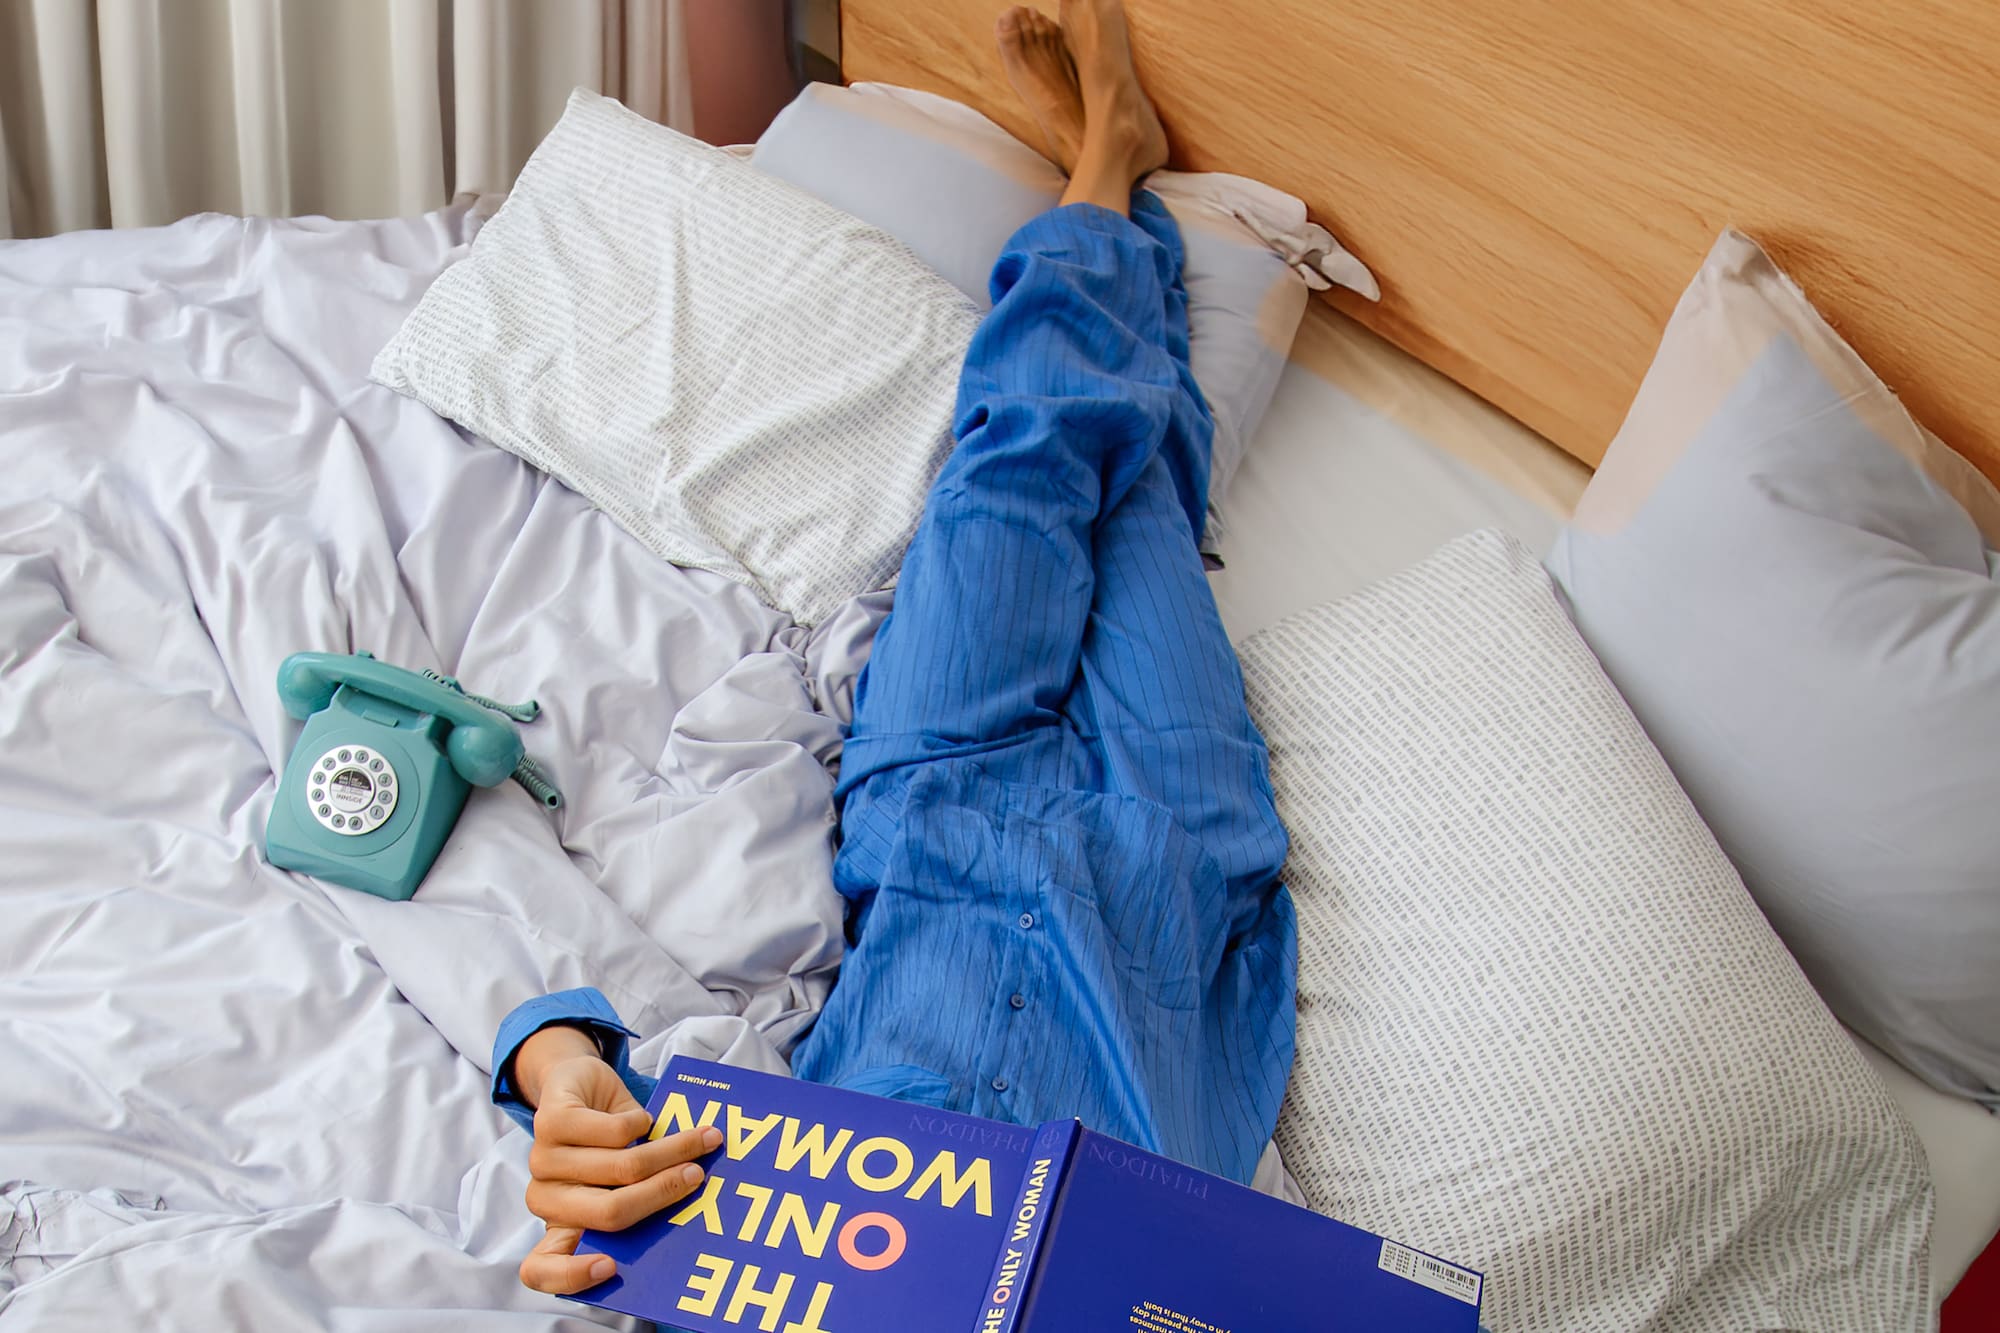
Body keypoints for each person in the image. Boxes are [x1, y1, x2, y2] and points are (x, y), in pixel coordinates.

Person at [489, 0, 1296, 1297]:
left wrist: (555, 1070)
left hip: (941, 796)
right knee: (1138, 491)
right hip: (1172, 846)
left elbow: (611, 1101)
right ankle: (1114, 186)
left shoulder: (725, 1309)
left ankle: (1102, 172)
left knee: (1017, 470)